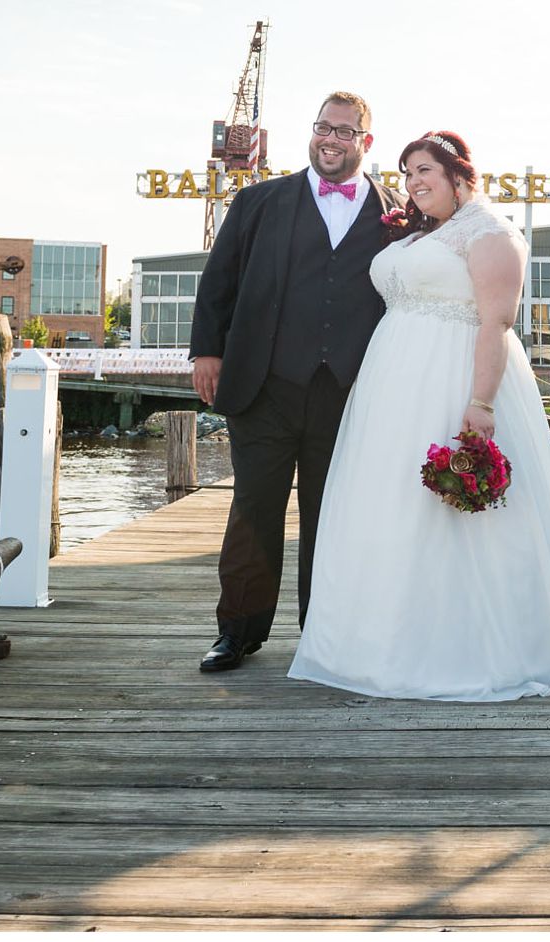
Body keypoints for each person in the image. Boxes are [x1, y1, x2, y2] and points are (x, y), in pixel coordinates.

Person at [289, 131, 550, 701]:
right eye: (408, 174)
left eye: (425, 171)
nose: (414, 183)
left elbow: (495, 323)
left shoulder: (491, 234)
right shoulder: (429, 233)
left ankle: (469, 650)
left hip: (452, 380)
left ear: (458, 175)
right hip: (391, 387)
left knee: (458, 513)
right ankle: (384, 640)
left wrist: (481, 402)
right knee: (394, 508)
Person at [188, 91, 403, 672]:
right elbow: (219, 282)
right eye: (321, 128)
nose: (329, 140)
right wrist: (207, 351)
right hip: (265, 385)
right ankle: (237, 632)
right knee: (253, 509)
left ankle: (323, 632)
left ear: (366, 141)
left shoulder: (397, 213)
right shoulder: (259, 201)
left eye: (343, 131)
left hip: (348, 392)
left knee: (330, 514)